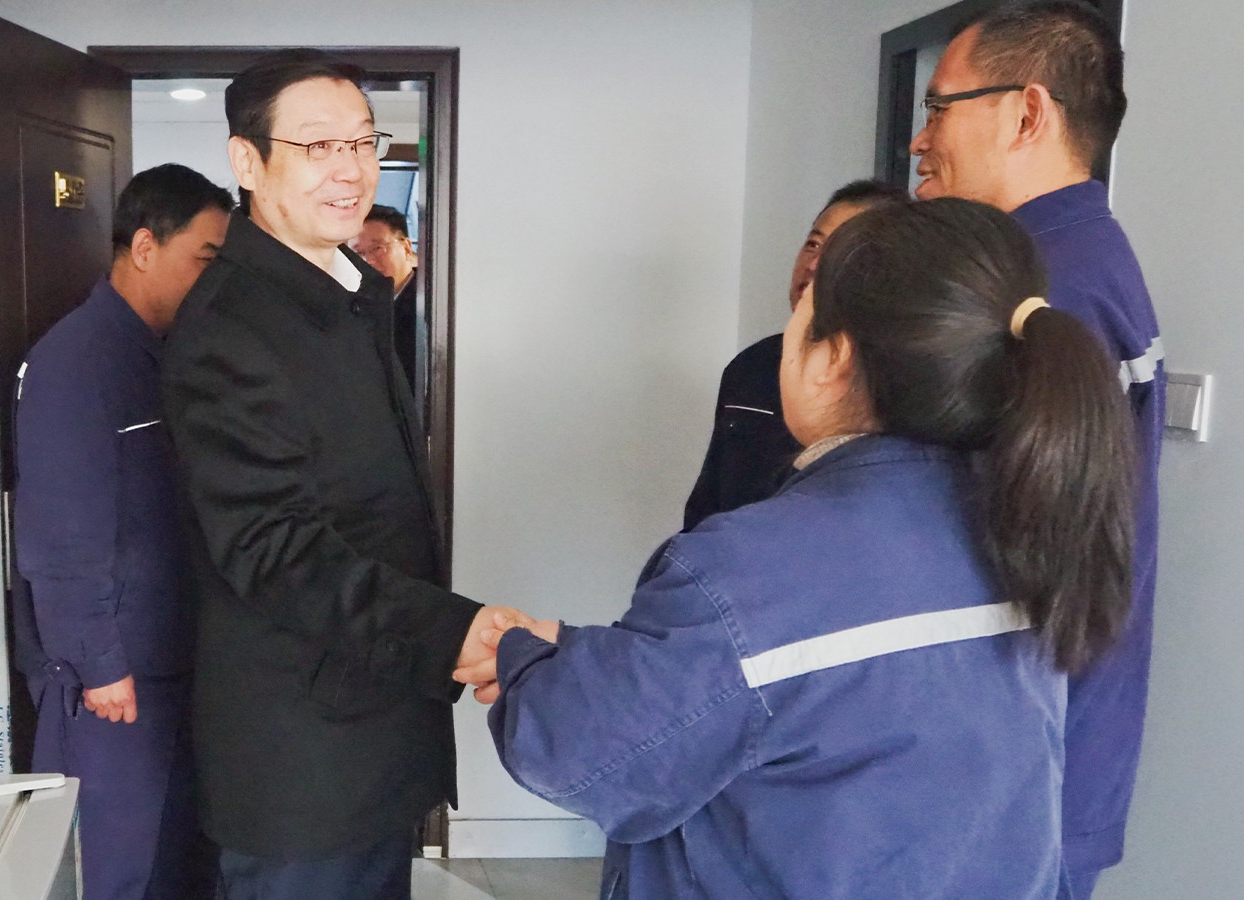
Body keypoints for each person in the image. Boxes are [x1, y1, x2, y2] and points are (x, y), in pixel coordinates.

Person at [459, 199, 1137, 898]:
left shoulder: (748, 569)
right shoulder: (1033, 525)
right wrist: (585, 654)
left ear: (831, 360)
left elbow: (589, 754)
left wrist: (528, 663)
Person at [159, 49, 522, 900]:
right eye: (318, 145)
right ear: (248, 161)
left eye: (362, 142)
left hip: (369, 726)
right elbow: (274, 548)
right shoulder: (232, 328)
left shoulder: (345, 288)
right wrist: (450, 630)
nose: (351, 169)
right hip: (303, 760)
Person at [910, 3, 1163, 892]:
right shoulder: (1076, 258)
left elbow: (983, 548)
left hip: (1008, 775)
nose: (919, 141)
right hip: (1036, 758)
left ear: (1027, 113)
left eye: (938, 108)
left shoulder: (1049, 292)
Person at [12, 164, 232, 900]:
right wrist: (100, 661)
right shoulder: (74, 362)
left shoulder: (167, 355)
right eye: (204, 258)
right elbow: (61, 534)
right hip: (111, 681)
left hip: (173, 660)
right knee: (113, 869)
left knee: (176, 863)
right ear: (144, 248)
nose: (213, 280)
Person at [682, 180, 905, 529]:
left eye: (840, 250)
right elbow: (706, 507)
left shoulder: (900, 384)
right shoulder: (751, 367)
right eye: (813, 244)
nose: (814, 264)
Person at [351, 204, 425, 398]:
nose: (368, 261)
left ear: (406, 248)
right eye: (358, 253)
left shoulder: (429, 305)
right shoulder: (357, 307)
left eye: (377, 248)